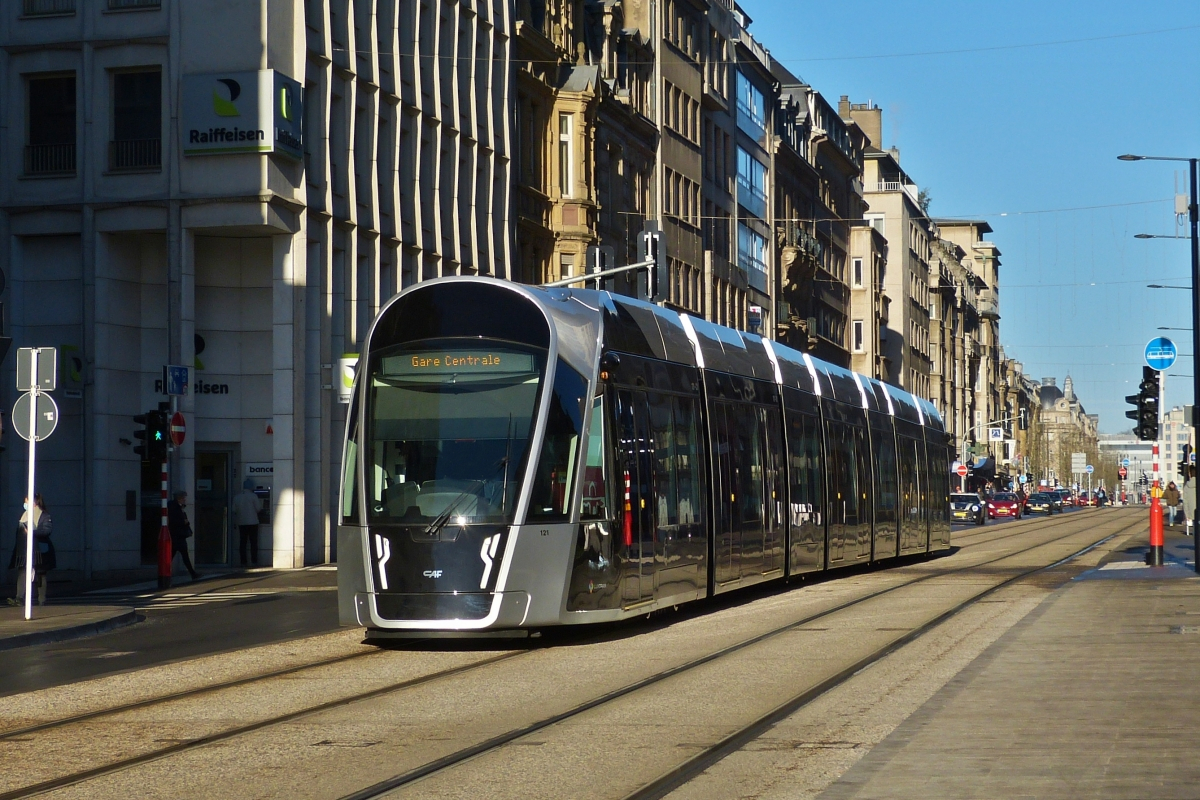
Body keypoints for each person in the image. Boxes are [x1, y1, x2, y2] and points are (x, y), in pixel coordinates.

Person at [7, 494, 53, 606]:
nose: (25, 504)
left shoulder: (44, 515)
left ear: (34, 502)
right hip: (24, 551)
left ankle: (41, 599)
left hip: (39, 550)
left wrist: (32, 532)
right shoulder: (24, 516)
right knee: (23, 572)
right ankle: (19, 598)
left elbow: (47, 531)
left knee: (40, 574)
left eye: (27, 502)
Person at [167, 491, 201, 580]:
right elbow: (176, 521)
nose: (185, 500)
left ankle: (192, 573)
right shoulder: (176, 508)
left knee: (174, 555)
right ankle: (192, 573)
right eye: (183, 498)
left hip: (177, 535)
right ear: (179, 498)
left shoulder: (175, 507)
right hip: (178, 535)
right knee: (183, 555)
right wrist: (184, 522)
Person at [233, 479, 263, 566]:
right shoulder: (253, 496)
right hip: (253, 522)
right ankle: (254, 561)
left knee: (242, 543)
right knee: (253, 543)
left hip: (241, 522)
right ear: (251, 487)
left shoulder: (236, 497)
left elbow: (233, 510)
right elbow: (258, 509)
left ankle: (243, 562)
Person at [1184, 467, 1197, 536]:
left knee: (1196, 529)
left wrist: (1187, 515)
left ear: (1190, 474)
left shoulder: (1187, 486)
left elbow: (1185, 502)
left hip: (1193, 511)